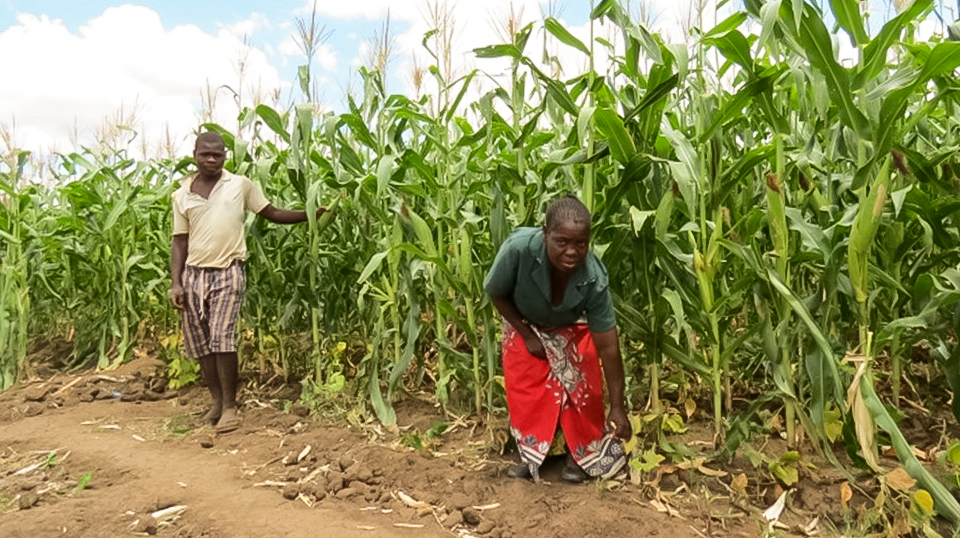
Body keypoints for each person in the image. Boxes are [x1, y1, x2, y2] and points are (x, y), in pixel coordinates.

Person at [169, 131, 328, 434]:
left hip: (228, 270)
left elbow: (272, 213)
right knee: (202, 345)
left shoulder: (239, 185)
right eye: (206, 154)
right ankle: (215, 402)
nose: (212, 159)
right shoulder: (181, 194)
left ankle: (230, 406)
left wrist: (309, 214)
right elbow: (179, 242)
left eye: (218, 154)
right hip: (193, 274)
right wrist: (176, 283)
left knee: (222, 338)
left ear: (226, 156)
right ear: (195, 154)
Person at [484, 195, 632, 483]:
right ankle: (531, 454)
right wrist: (526, 335)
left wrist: (617, 406)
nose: (572, 252)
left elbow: (609, 346)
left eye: (580, 244)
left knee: (580, 382)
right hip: (522, 320)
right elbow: (496, 293)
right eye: (562, 242)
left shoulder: (593, 277)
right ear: (545, 235)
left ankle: (579, 456)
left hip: (569, 327)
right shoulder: (517, 250)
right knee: (526, 385)